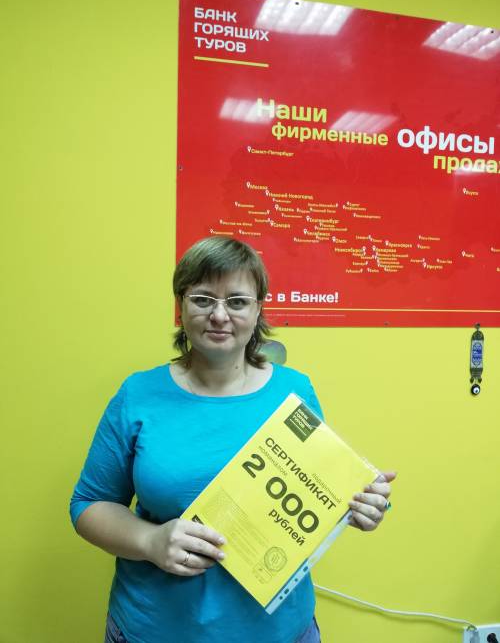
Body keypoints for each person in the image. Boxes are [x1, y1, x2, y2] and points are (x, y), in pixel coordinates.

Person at [70, 236, 396, 643]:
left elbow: (320, 490)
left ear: (258, 309)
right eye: (203, 299)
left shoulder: (294, 391)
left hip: (281, 633)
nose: (219, 315)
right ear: (181, 305)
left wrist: (362, 505)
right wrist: (150, 541)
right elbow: (88, 504)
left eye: (237, 301)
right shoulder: (138, 395)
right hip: (154, 629)